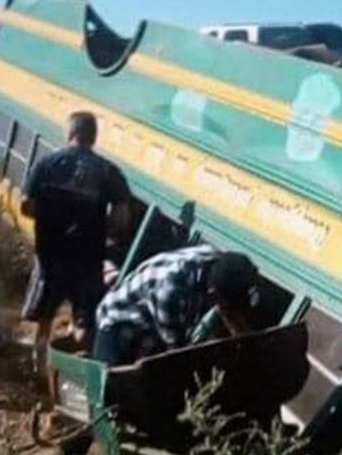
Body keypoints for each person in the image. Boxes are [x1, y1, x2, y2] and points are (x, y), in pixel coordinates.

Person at [21, 110, 131, 371]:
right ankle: (78, 375)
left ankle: (38, 370)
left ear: (70, 132)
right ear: (93, 137)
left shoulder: (46, 164)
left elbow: (26, 205)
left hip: (51, 256)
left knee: (44, 318)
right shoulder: (108, 171)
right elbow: (122, 217)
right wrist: (105, 235)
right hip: (88, 260)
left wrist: (49, 220)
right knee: (84, 323)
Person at [92, 245, 260, 366]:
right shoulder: (171, 291)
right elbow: (176, 355)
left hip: (157, 321)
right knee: (112, 390)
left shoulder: (220, 263)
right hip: (120, 322)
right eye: (225, 302)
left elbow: (231, 315)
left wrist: (250, 353)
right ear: (212, 294)